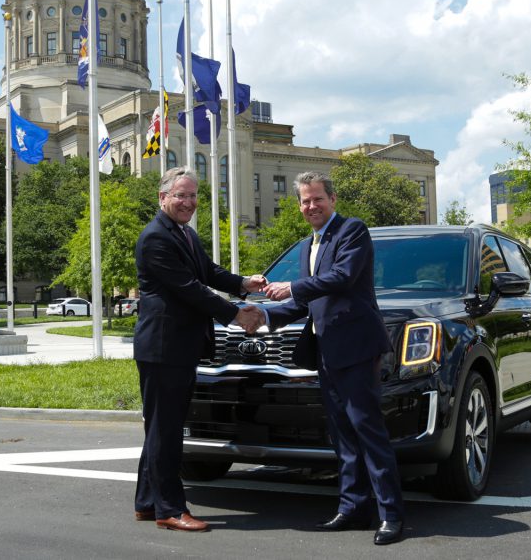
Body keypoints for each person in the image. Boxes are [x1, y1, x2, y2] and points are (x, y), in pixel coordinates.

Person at [263, 171, 405, 546]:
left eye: (317, 199)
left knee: (368, 431)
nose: (311, 206)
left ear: (333, 199)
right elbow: (306, 301)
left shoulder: (352, 231)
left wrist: (291, 286)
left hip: (357, 348)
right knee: (342, 435)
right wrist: (260, 317)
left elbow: (341, 278)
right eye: (305, 201)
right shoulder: (309, 245)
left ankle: (391, 515)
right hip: (328, 351)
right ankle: (353, 508)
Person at [134, 167, 267, 532]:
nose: (188, 202)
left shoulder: (185, 234)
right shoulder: (155, 238)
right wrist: (237, 315)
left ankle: (148, 501)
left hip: (178, 348)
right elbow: (189, 288)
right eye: (181, 195)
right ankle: (170, 509)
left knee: (162, 426)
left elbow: (207, 271)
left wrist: (244, 283)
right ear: (163, 198)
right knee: (166, 430)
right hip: (164, 349)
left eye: (193, 196)